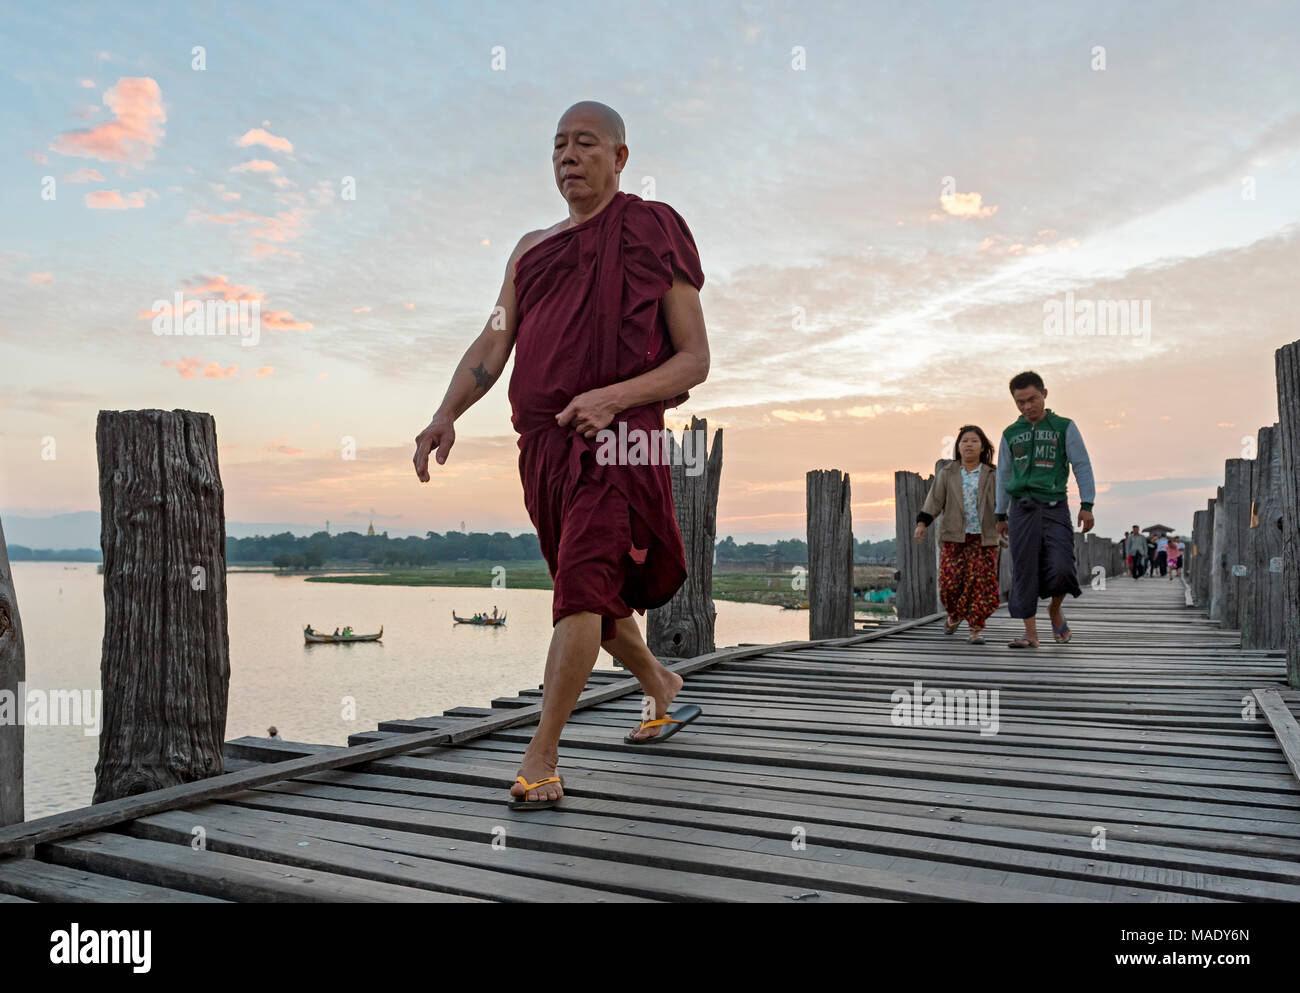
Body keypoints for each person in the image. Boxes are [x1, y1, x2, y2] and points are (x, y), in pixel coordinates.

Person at [412, 101, 710, 811]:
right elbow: (492, 342)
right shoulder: (530, 249)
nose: (567, 157)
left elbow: (695, 360)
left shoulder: (652, 229)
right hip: (543, 449)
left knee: (579, 584)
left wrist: (611, 398)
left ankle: (541, 755)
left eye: (584, 143)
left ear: (620, 156)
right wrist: (445, 412)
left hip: (619, 441)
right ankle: (661, 684)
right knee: (593, 594)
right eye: (556, 147)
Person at [995, 371, 1095, 647]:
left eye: (1032, 399)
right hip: (1021, 510)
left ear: (1044, 395)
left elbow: (1082, 465)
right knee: (1024, 569)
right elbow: (1003, 475)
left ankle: (1054, 609)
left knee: (1063, 566)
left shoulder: (1064, 427)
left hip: (1055, 507)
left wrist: (1087, 504)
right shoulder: (1010, 434)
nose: (1027, 406)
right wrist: (1000, 514)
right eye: (1020, 402)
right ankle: (1031, 634)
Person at [913, 425, 1001, 644]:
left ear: (983, 447)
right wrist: (922, 523)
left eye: (974, 441)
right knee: (950, 583)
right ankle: (954, 615)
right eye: (964, 441)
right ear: (958, 446)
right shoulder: (948, 473)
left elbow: (1003, 504)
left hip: (984, 538)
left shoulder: (993, 474)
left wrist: (1006, 523)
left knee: (981, 584)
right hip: (954, 537)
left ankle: (975, 629)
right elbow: (935, 500)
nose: (969, 445)